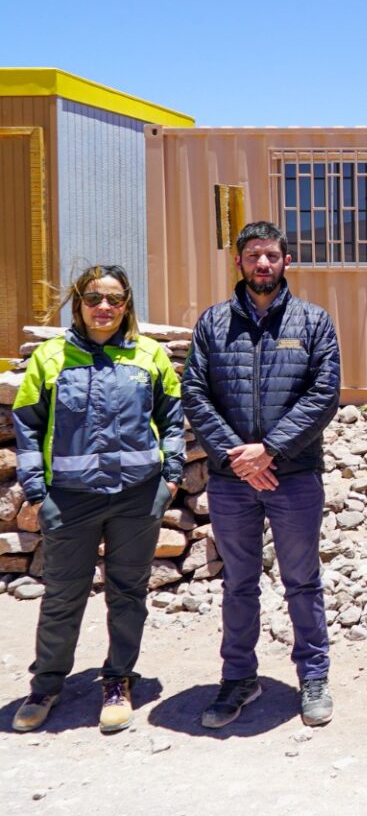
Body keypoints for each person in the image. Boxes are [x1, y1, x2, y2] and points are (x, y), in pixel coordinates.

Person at [10, 266, 184, 734]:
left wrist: (170, 477)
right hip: (70, 501)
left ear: (127, 304)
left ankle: (118, 681)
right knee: (63, 596)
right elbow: (27, 427)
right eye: (93, 298)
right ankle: (46, 685)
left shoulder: (150, 356)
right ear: (78, 303)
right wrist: (36, 491)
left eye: (114, 299)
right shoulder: (51, 358)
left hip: (137, 498)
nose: (103, 307)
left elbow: (172, 419)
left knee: (127, 594)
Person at [182, 222, 340, 729]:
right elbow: (195, 394)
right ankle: (238, 679)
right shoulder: (213, 324)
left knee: (302, 580)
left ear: (286, 261)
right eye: (253, 256)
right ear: (240, 263)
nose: (263, 264)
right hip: (232, 481)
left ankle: (313, 676)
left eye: (271, 255)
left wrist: (269, 450)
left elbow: (324, 395)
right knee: (239, 583)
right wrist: (237, 457)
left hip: (293, 476)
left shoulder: (314, 322)